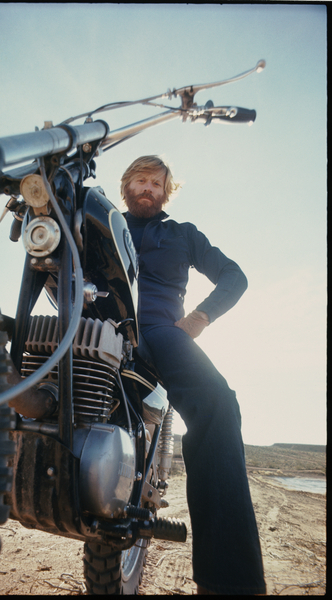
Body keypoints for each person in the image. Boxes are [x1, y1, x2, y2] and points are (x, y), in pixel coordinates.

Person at [121, 155, 266, 595]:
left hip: (162, 331)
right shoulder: (100, 221)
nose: (148, 188)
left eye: (157, 183)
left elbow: (234, 276)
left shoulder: (183, 234)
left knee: (219, 403)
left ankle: (228, 581)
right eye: (141, 180)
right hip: (99, 322)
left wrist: (201, 317)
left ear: (167, 192)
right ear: (126, 185)